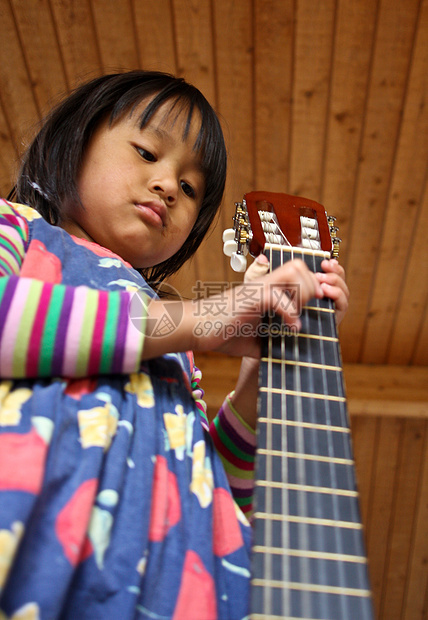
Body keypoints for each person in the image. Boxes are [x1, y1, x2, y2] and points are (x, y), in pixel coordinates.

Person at [0, 70, 349, 619]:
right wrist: (204, 318)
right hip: (34, 541)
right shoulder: (15, 228)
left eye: (189, 189)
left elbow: (218, 494)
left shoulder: (173, 351)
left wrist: (266, 374)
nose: (167, 184)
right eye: (145, 152)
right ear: (74, 140)